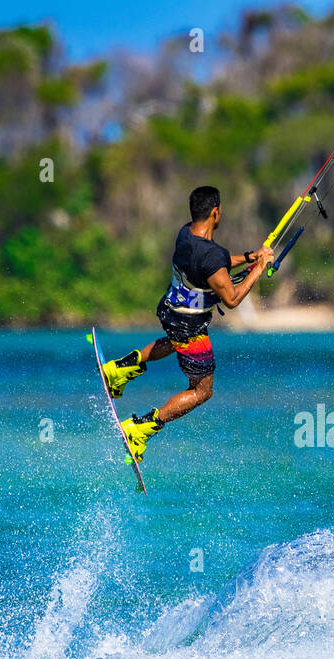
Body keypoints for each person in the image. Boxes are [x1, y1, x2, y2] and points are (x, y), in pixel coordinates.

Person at [102, 186, 274, 461]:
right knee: (203, 390)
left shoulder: (185, 234)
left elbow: (217, 265)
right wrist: (260, 269)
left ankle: (119, 369)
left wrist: (250, 257)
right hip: (189, 325)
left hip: (170, 310)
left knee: (174, 343)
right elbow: (231, 298)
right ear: (215, 212)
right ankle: (142, 427)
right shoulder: (211, 256)